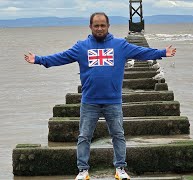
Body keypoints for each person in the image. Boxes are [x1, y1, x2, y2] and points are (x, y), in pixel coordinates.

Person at [24, 12, 176, 180]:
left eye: (103, 25)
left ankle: (120, 169)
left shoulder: (120, 45)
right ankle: (83, 170)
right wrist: (38, 59)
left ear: (108, 26)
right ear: (90, 27)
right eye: (96, 25)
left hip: (113, 102)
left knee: (118, 135)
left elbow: (141, 52)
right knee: (84, 136)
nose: (99, 28)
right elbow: (61, 57)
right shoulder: (81, 47)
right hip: (89, 101)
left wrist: (162, 52)